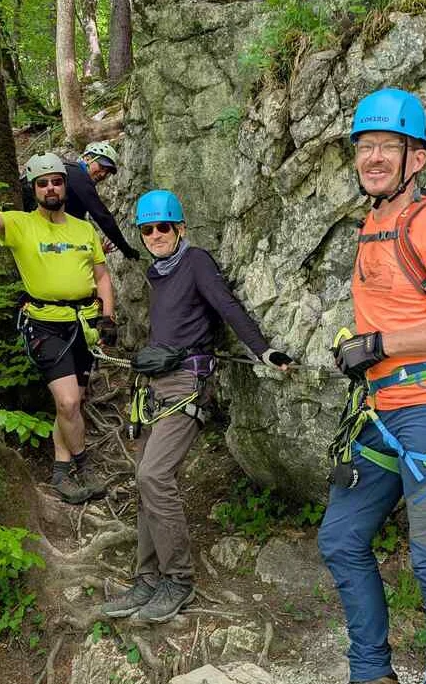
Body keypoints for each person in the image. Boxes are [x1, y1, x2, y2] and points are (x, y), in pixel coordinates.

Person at [318, 88, 426, 684]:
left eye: (387, 146)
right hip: (382, 409)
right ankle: (371, 672)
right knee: (342, 538)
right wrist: (362, 352)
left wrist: (382, 346)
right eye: (364, 145)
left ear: (414, 158)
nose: (373, 157)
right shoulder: (373, 224)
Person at [98, 190, 292, 623]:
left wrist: (264, 351)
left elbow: (227, 306)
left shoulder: (195, 261)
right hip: (156, 385)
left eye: (163, 227)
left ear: (179, 227)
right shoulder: (158, 273)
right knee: (144, 477)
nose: (154, 235)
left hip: (188, 384)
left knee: (154, 473)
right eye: (147, 229)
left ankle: (178, 580)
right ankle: (147, 579)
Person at [0, 153, 116, 505]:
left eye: (56, 181)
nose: (51, 187)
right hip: (44, 326)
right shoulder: (21, 224)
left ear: (65, 185)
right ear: (34, 189)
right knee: (67, 402)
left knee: (73, 404)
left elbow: (102, 275)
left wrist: (108, 316)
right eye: (43, 183)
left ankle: (61, 472)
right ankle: (84, 466)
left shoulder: (83, 229)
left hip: (83, 325)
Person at [20, 141, 141, 260]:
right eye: (102, 167)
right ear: (87, 158)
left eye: (108, 172)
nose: (103, 174)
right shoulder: (78, 175)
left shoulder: (69, 172)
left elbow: (75, 217)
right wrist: (126, 250)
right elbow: (102, 215)